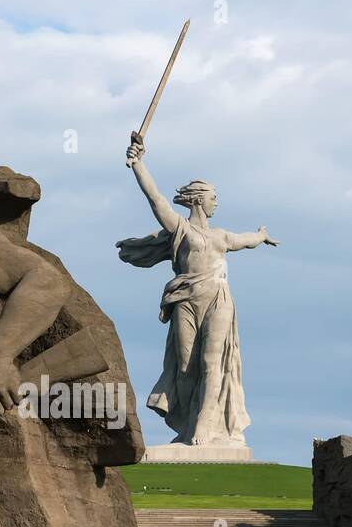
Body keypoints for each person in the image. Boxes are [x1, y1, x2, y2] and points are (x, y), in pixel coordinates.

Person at [117, 134, 276, 446]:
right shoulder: (181, 229)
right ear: (199, 199)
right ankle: (189, 428)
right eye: (213, 197)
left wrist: (261, 235)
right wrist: (137, 163)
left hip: (218, 298)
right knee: (186, 368)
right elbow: (156, 199)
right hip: (185, 301)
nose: (216, 202)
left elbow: (247, 239)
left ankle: (204, 427)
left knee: (211, 362)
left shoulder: (221, 237)